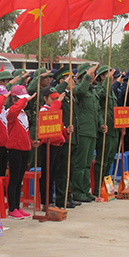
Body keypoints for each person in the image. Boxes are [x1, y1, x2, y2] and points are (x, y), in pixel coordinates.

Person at [5, 85, 37, 218]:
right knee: (13, 180)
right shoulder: (11, 112)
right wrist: (23, 101)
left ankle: (17, 206)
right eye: (21, 99)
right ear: (14, 100)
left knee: (19, 180)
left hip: (25, 149)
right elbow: (14, 111)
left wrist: (30, 142)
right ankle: (12, 208)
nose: (25, 102)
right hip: (15, 150)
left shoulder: (23, 114)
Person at [38, 86, 69, 208]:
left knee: (53, 174)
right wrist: (58, 103)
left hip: (57, 145)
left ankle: (51, 200)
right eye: (52, 99)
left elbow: (59, 127)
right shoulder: (44, 110)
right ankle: (46, 201)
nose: (55, 101)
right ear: (45, 98)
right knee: (47, 175)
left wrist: (66, 132)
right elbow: (49, 119)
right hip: (47, 145)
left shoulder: (54, 110)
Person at [72, 62, 99, 202]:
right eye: (90, 74)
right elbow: (80, 92)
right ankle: (77, 191)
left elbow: (96, 111)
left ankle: (85, 190)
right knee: (80, 164)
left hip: (92, 130)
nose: (94, 76)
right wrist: (87, 77)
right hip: (82, 131)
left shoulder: (92, 91)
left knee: (88, 163)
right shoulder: (78, 88)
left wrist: (101, 125)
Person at [54, 67, 79, 209]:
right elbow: (57, 90)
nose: (74, 81)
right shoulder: (60, 95)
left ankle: (68, 196)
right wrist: (64, 83)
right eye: (71, 79)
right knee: (63, 171)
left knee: (71, 170)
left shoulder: (71, 96)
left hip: (73, 137)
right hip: (64, 138)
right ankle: (61, 198)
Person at [93, 66, 118, 194]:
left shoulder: (112, 91)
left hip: (114, 128)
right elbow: (101, 99)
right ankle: (98, 187)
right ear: (102, 76)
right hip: (105, 129)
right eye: (109, 75)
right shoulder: (98, 89)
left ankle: (106, 186)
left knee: (109, 159)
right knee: (102, 159)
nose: (112, 77)